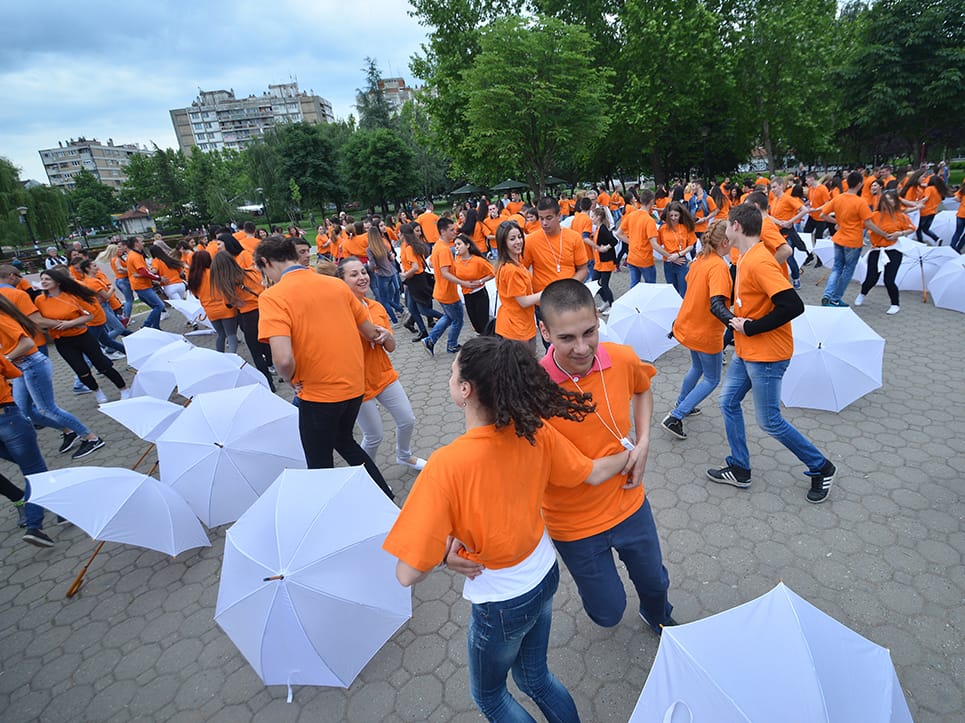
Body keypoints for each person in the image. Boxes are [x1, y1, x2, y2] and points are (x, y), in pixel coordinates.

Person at [383, 335, 631, 722]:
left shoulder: (446, 466)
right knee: (536, 678)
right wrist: (631, 453)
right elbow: (593, 472)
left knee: (490, 696)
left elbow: (407, 573)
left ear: (465, 390)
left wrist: (445, 552)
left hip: (501, 599)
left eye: (452, 373)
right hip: (543, 573)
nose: (450, 378)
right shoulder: (535, 432)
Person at [532, 279, 676, 635]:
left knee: (655, 581)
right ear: (545, 332)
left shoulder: (622, 358)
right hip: (574, 524)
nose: (582, 348)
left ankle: (657, 614)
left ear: (598, 319)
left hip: (629, 503)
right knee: (607, 612)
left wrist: (644, 442)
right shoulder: (532, 389)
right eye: (567, 338)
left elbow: (642, 389)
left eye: (589, 332)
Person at [709, 205, 836, 503]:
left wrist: (751, 327)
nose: (725, 228)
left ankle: (821, 466)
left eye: (727, 224)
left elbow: (793, 305)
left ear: (737, 226)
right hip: (747, 351)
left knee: (769, 421)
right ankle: (740, 468)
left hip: (766, 355)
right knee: (727, 402)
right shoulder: (745, 256)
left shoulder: (760, 261)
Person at [255, 235, 394, 499]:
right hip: (354, 387)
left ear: (266, 262)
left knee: (319, 462)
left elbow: (282, 359)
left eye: (263, 271)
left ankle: (331, 511)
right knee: (344, 441)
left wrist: (290, 379)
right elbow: (369, 331)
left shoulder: (272, 297)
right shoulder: (336, 285)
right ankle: (384, 496)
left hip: (318, 394)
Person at [337, 258, 427, 472]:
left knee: (407, 419)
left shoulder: (376, 306)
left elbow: (392, 347)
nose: (362, 277)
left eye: (363, 272)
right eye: (354, 274)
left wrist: (387, 335)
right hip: (358, 384)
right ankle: (365, 473)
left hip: (384, 375)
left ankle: (404, 456)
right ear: (341, 281)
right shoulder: (338, 312)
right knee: (374, 436)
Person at [660, 220, 733, 439]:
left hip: (689, 326)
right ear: (724, 242)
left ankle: (683, 404)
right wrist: (735, 323)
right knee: (712, 379)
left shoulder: (701, 259)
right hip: (706, 332)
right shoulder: (718, 266)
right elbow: (716, 304)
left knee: (697, 368)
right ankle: (676, 416)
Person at [35, 266, 129, 410]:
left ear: (58, 282)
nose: (43, 281)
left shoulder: (72, 296)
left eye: (47, 279)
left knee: (102, 364)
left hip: (82, 336)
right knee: (80, 369)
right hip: (62, 340)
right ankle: (97, 392)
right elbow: (39, 320)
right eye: (42, 279)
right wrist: (54, 325)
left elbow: (89, 315)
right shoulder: (40, 300)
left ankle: (123, 389)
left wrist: (71, 323)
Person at [0, 354, 55, 547]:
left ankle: (60, 507)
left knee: (31, 464)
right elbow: (13, 372)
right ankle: (35, 526)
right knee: (34, 470)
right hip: (6, 416)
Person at [210, 235, 275, 390]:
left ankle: (268, 383)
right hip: (262, 311)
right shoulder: (249, 272)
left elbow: (228, 304)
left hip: (247, 316)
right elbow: (262, 287)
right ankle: (272, 365)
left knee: (256, 352)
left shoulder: (226, 284)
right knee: (267, 341)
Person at [819, 171, 891, 307]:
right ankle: (835, 298)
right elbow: (869, 223)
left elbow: (823, 215)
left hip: (839, 238)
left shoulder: (838, 198)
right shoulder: (860, 202)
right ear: (859, 184)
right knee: (848, 270)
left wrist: (838, 222)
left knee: (837, 268)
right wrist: (883, 234)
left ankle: (828, 294)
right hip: (853, 241)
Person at [854, 190, 915, 315]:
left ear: (895, 201)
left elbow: (912, 228)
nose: (888, 202)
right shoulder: (874, 215)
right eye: (885, 199)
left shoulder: (900, 215)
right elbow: (861, 225)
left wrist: (900, 233)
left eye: (891, 199)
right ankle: (862, 293)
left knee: (889, 279)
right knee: (871, 278)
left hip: (894, 250)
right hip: (877, 250)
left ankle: (895, 304)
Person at [494, 220, 541, 353]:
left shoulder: (514, 264)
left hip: (519, 324)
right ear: (503, 243)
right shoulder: (511, 270)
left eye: (520, 237)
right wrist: (547, 292)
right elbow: (523, 301)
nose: (518, 241)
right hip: (517, 328)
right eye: (512, 239)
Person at [423, 217, 464, 356]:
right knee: (457, 320)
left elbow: (433, 264)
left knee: (449, 317)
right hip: (448, 293)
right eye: (451, 230)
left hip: (442, 290)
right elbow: (445, 273)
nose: (454, 232)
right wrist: (463, 282)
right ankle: (451, 344)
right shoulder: (444, 249)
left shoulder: (438, 246)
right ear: (443, 231)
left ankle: (430, 340)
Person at [187, 249, 239, 353]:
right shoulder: (215, 273)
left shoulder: (193, 278)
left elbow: (196, 296)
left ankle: (219, 355)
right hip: (225, 308)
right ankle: (232, 357)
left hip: (210, 311)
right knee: (231, 335)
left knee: (221, 335)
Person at [398, 223, 440, 341]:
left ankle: (445, 318)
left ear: (403, 234)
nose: (398, 235)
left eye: (399, 233)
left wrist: (405, 275)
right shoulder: (410, 245)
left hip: (416, 280)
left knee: (422, 309)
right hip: (414, 280)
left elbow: (415, 267)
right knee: (412, 308)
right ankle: (423, 331)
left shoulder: (409, 247)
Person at [450, 233, 494, 334]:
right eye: (455, 245)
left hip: (479, 294)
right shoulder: (456, 261)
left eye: (459, 244)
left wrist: (481, 281)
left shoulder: (478, 260)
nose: (456, 247)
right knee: (475, 324)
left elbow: (493, 273)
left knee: (483, 324)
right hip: (467, 295)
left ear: (467, 245)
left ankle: (488, 341)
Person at [122, 237, 166, 329]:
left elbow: (142, 272)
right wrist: (158, 278)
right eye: (141, 242)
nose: (143, 243)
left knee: (156, 307)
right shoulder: (135, 256)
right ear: (136, 244)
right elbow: (143, 272)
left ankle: (156, 327)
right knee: (160, 306)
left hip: (141, 285)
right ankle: (146, 326)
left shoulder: (134, 255)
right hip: (142, 286)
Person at [654, 201, 697, 297]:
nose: (673, 218)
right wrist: (670, 257)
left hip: (681, 262)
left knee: (684, 292)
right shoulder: (663, 228)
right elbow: (657, 245)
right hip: (668, 263)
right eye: (671, 215)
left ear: (680, 215)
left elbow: (691, 246)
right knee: (672, 292)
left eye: (676, 215)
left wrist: (678, 255)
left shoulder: (685, 227)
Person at [366, 228, 406, 324]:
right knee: (388, 297)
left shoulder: (369, 249)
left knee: (384, 300)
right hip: (391, 272)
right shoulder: (383, 245)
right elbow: (391, 258)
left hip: (381, 274)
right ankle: (401, 310)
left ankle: (395, 319)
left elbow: (373, 265)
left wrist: (368, 266)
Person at [620, 189, 659, 287]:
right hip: (645, 259)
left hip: (632, 257)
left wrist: (631, 242)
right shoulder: (649, 220)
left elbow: (618, 233)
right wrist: (669, 255)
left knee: (634, 285)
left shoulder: (631, 215)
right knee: (651, 287)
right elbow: (654, 244)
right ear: (652, 201)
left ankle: (634, 298)